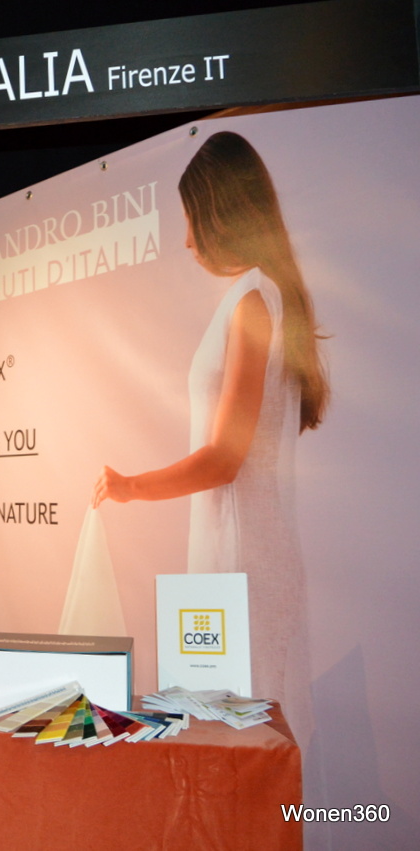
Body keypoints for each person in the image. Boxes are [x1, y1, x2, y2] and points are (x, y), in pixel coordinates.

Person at [93, 131, 328, 742]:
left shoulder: (254, 301)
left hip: (244, 563)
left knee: (254, 738)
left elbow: (225, 459)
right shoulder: (259, 297)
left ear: (222, 212)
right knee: (244, 736)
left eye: (192, 218)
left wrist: (130, 487)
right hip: (239, 558)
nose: (188, 240)